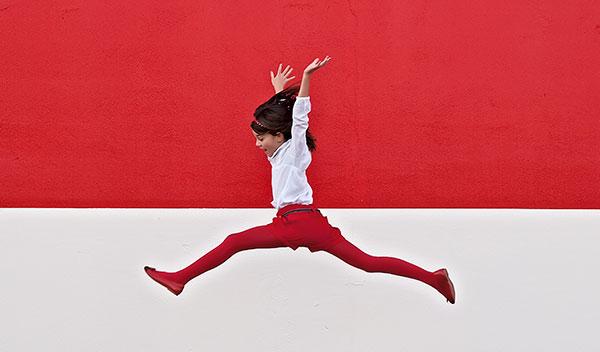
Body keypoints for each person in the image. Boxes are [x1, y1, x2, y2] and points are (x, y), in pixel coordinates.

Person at [144, 56, 456, 304]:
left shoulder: (292, 150)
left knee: (233, 242)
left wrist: (306, 78)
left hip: (296, 221)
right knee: (368, 263)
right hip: (308, 223)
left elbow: (299, 118)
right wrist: (279, 94)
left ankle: (180, 278)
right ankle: (433, 278)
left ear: (280, 136)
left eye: (261, 138)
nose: (258, 144)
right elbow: (283, 121)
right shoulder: (280, 153)